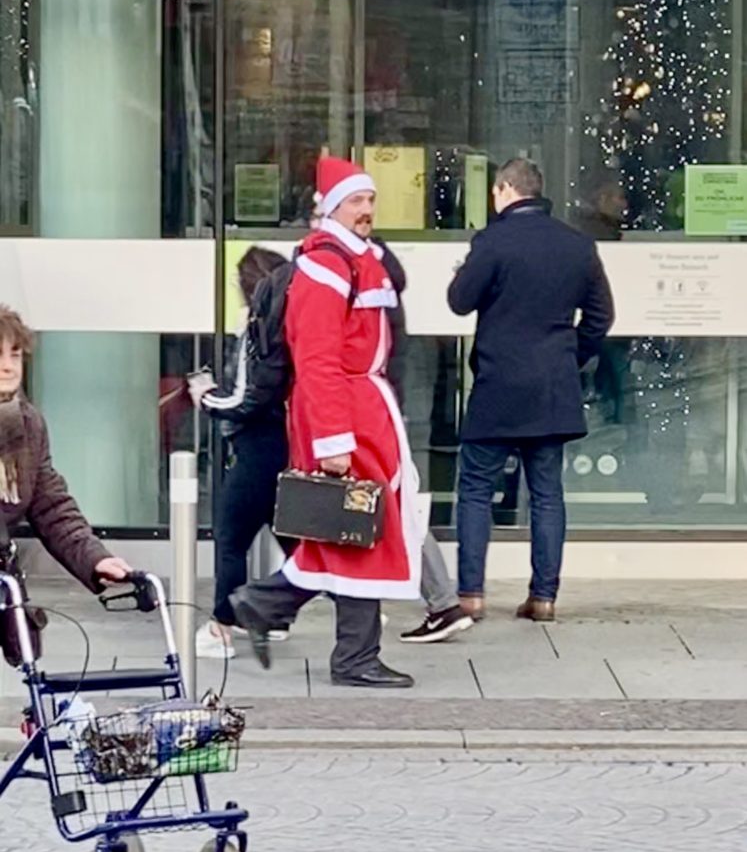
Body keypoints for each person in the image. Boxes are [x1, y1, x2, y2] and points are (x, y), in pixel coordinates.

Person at [231, 156, 421, 688]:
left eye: (370, 201)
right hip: (347, 412)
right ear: (332, 207)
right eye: (357, 201)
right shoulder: (327, 267)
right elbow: (316, 360)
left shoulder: (349, 261)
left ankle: (269, 604)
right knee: (359, 527)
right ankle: (348, 653)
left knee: (352, 529)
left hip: (361, 407)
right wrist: (333, 440)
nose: (367, 210)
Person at [448, 159, 614, 622]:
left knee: (477, 488)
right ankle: (544, 597)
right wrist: (570, 358)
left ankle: (471, 596)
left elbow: (459, 301)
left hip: (498, 382)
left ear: (504, 189)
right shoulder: (577, 246)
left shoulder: (492, 241)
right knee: (547, 493)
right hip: (552, 387)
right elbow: (602, 317)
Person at [0, 306, 131, 658]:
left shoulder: (27, 424)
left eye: (14, 353)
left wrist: (95, 559)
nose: (8, 366)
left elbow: (50, 503)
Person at [189, 247, 292, 660]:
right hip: (283, 445)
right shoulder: (287, 328)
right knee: (297, 544)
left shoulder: (258, 331)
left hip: (257, 446)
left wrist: (206, 398)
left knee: (231, 538)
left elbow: (245, 398)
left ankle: (221, 626)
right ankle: (277, 614)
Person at [370, 236, 473, 644]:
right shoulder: (385, 304)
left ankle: (435, 602)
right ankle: (437, 601)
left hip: (373, 415)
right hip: (385, 411)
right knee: (393, 506)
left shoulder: (370, 305)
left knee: (388, 507)